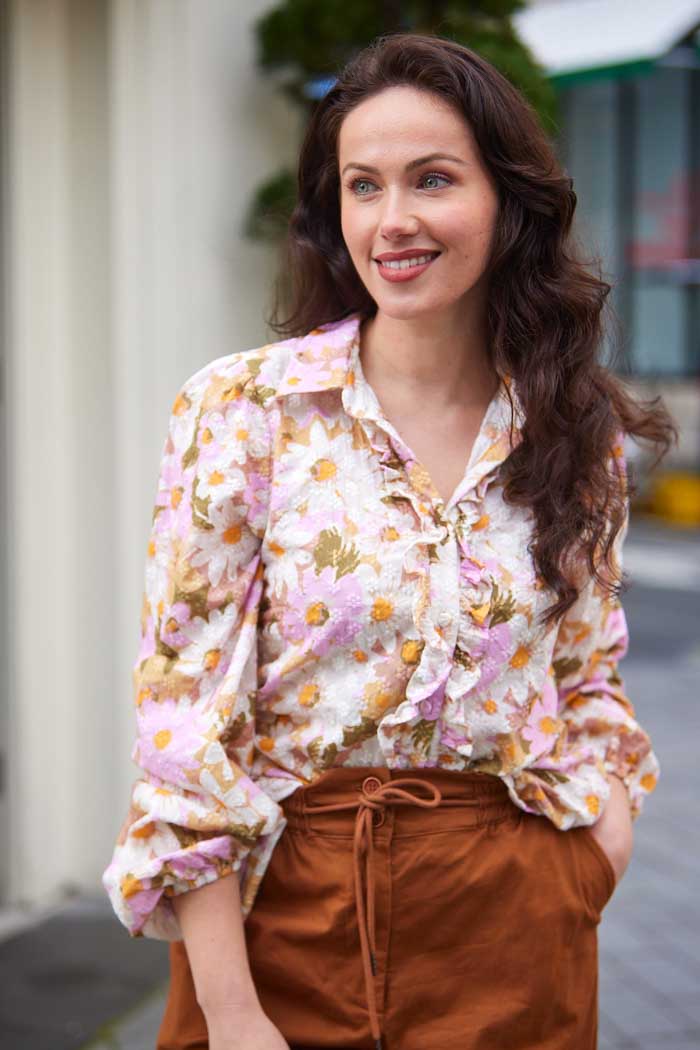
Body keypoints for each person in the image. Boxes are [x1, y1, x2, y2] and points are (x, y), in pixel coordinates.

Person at [102, 31, 677, 1050]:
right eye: (362, 186)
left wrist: (590, 856)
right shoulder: (245, 411)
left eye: (433, 180)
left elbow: (586, 676)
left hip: (510, 927)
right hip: (285, 917)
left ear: (509, 202)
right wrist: (231, 1010)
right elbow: (185, 722)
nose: (393, 220)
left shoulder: (574, 434)